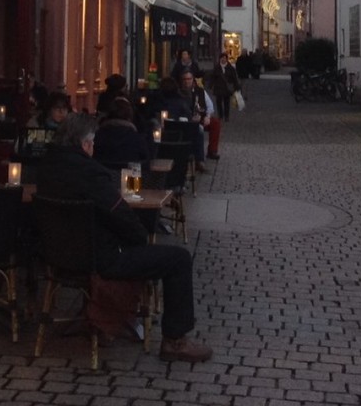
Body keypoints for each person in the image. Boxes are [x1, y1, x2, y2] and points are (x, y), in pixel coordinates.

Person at [36, 113, 213, 363]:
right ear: (85, 144)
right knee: (179, 259)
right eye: (93, 142)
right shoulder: (91, 175)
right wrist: (140, 238)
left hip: (56, 258)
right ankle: (175, 340)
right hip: (99, 259)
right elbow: (122, 218)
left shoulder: (45, 168)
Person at [93, 97, 152, 166]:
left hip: (101, 175)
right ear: (130, 116)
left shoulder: (96, 138)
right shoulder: (137, 140)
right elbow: (146, 160)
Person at [211, 53, 240, 123]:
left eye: (224, 58)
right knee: (218, 103)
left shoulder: (231, 68)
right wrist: (211, 85)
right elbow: (213, 77)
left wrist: (237, 87)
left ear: (226, 59)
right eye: (221, 58)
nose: (223, 59)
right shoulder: (216, 67)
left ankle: (226, 116)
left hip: (227, 89)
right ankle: (220, 116)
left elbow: (234, 78)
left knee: (226, 103)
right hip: (218, 88)